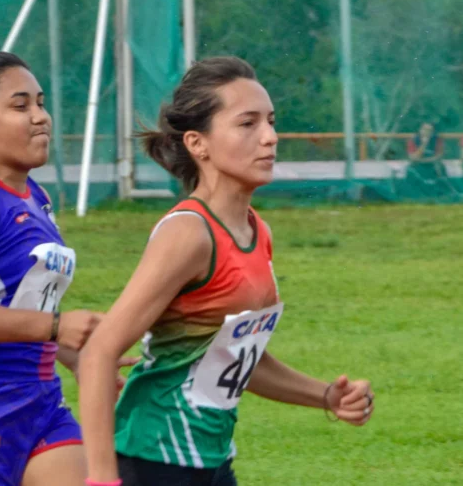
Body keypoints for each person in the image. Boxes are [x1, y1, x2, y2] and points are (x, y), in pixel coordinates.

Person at [77, 57, 374, 486]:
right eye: (247, 124)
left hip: (212, 461)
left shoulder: (257, 232)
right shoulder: (188, 234)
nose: (270, 137)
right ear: (198, 144)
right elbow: (99, 353)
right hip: (154, 457)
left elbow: (232, 357)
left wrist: (326, 396)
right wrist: (102, 479)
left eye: (271, 121)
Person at [0, 52, 112, 485]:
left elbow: (19, 304)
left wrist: (75, 355)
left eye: (41, 103)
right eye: (20, 105)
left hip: (41, 401)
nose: (40, 117)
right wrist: (55, 327)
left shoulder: (35, 197)